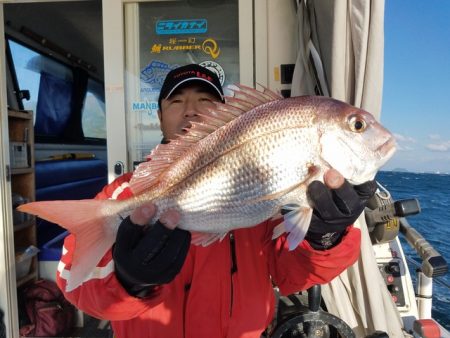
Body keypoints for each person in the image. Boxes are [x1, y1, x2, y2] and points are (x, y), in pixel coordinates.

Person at [56, 64, 376, 338]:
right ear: (160, 115)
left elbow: (291, 275)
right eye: (176, 100)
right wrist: (127, 281)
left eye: (205, 100)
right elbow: (73, 280)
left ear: (224, 115)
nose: (190, 110)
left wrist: (324, 237)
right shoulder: (125, 194)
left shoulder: (264, 182)